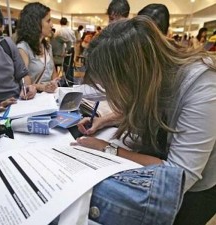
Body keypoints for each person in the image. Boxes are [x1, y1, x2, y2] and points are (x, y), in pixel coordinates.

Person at [74, 16, 216, 225]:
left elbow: (180, 175)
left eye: (112, 84)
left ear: (132, 74)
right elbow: (143, 103)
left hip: (195, 192)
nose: (111, 93)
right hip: (157, 157)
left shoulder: (203, 86)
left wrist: (108, 149)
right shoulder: (152, 76)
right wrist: (104, 121)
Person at [16, 2, 59, 93]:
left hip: (50, 97)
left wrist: (54, 84)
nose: (52, 25)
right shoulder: (23, 48)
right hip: (35, 99)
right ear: (35, 23)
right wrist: (42, 87)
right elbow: (24, 85)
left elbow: (54, 75)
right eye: (48, 21)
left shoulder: (47, 46)